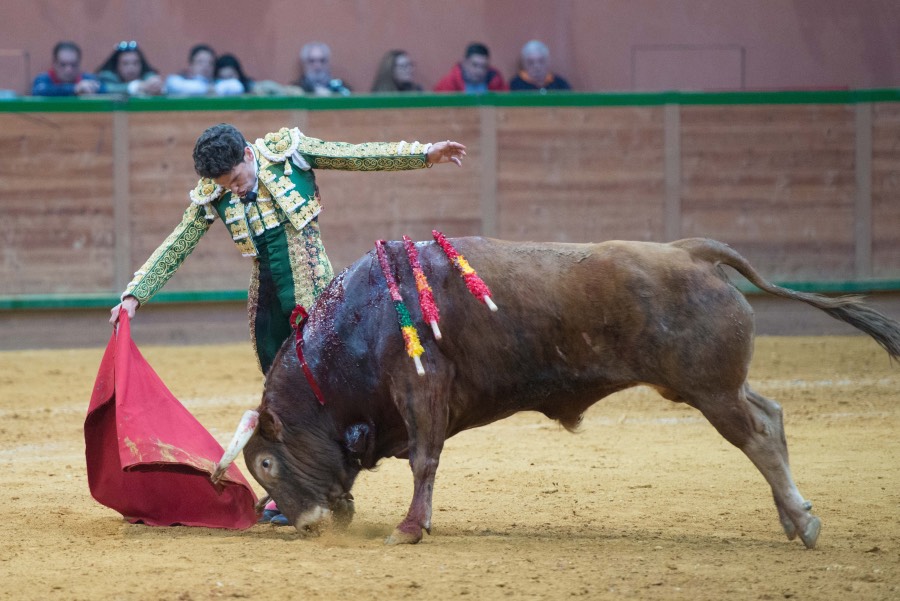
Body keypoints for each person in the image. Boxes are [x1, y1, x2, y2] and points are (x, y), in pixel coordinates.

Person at [110, 124, 465, 376]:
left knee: (329, 363)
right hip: (265, 295)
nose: (233, 190)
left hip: (312, 283)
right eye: (224, 185)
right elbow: (178, 243)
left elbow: (356, 156)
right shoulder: (213, 191)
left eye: (236, 180)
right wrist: (135, 295)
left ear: (248, 154)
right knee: (275, 372)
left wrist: (422, 154)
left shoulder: (289, 154)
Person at [32, 41, 104, 96]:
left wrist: (94, 89)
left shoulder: (87, 79)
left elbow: (107, 90)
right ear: (54, 64)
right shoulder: (43, 79)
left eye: (73, 65)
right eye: (63, 65)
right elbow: (39, 91)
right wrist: (75, 89)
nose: (68, 70)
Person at [165, 44, 241, 97]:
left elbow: (236, 86)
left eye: (210, 63)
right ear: (191, 66)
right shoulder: (179, 81)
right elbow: (172, 84)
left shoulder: (217, 83)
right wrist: (207, 89)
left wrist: (215, 89)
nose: (206, 66)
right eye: (200, 62)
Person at [96, 40, 165, 96]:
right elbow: (105, 89)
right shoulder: (106, 78)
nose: (131, 68)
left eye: (135, 63)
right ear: (116, 66)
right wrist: (136, 87)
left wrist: (155, 85)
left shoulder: (148, 76)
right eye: (125, 64)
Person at [433, 42, 507, 93]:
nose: (479, 71)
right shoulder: (449, 83)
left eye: (484, 66)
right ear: (464, 62)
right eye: (475, 65)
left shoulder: (497, 83)